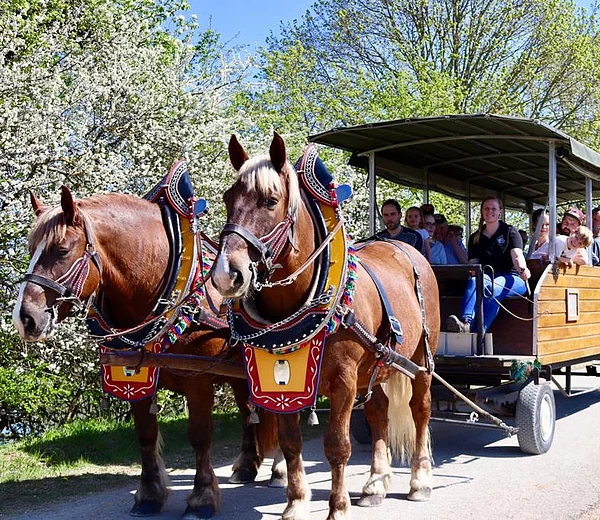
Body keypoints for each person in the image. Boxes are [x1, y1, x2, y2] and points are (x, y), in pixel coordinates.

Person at [446, 196, 530, 334]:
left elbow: (517, 255)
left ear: (499, 212)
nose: (490, 211)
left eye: (493, 208)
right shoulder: (475, 237)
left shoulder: (509, 231)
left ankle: (478, 333)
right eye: (486, 208)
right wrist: (471, 271)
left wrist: (523, 268)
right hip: (488, 277)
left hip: (513, 278)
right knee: (474, 281)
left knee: (494, 288)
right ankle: (466, 323)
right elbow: (473, 263)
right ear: (482, 212)